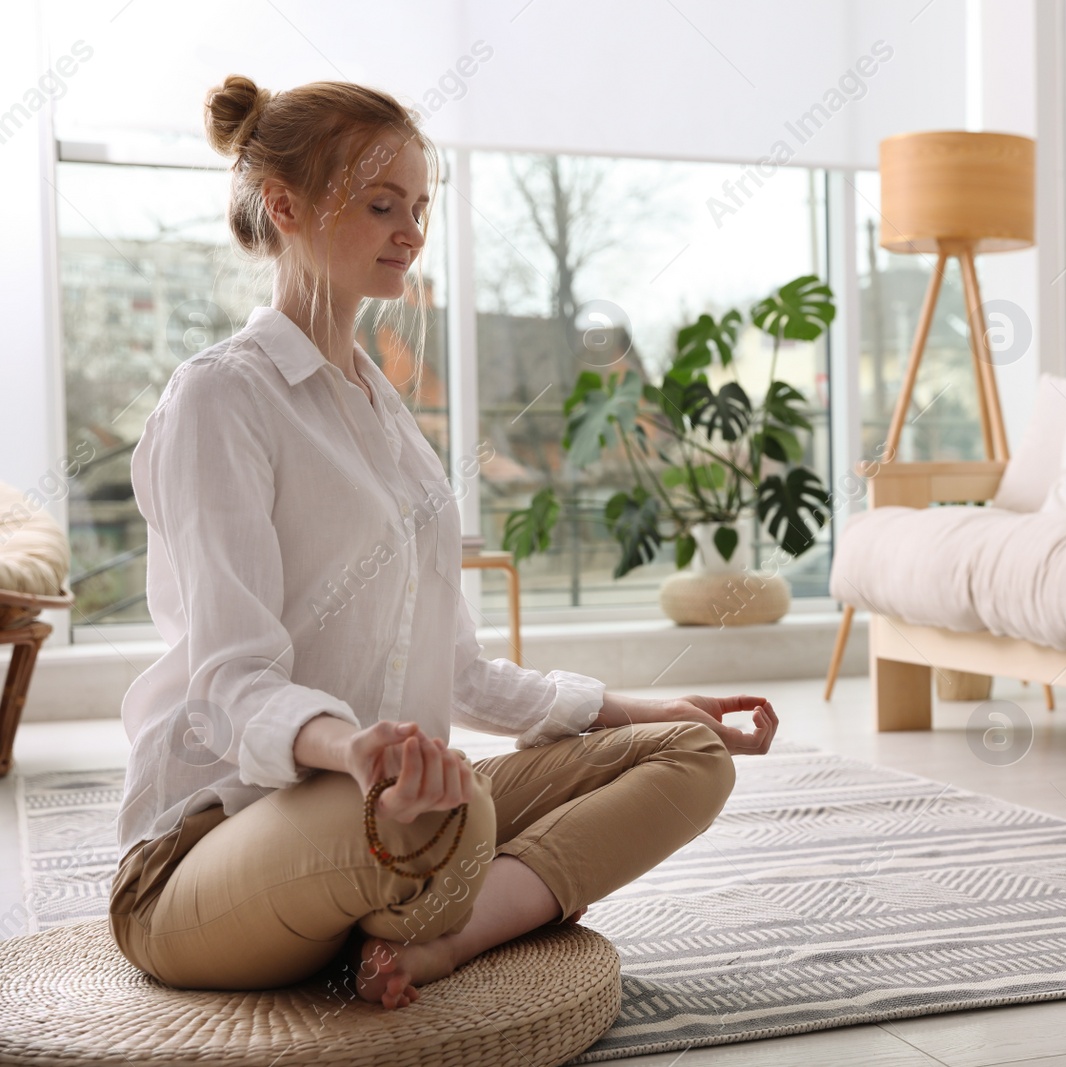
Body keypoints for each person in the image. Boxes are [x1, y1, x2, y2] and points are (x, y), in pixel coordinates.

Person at [108, 74, 778, 1012]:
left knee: (686, 754)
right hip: (206, 854)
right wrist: (357, 752)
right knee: (443, 814)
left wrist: (642, 705)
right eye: (382, 204)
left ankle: (446, 938)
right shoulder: (222, 399)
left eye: (419, 207)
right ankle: (431, 875)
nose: (411, 229)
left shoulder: (387, 416)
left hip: (389, 818)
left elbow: (458, 670)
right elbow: (230, 686)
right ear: (284, 205)